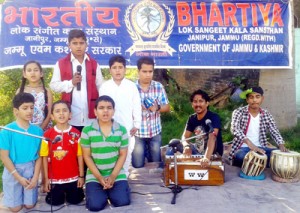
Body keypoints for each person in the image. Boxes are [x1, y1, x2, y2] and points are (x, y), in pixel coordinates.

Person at [80, 95, 130, 211]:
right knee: (95, 206)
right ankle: (102, 192)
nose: (105, 111)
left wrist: (112, 176)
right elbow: (86, 156)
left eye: (109, 108)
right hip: (95, 175)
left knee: (122, 202)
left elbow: (123, 155)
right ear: (95, 111)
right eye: (101, 108)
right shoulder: (87, 130)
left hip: (116, 174)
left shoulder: (121, 130)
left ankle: (116, 189)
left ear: (114, 111)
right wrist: (99, 177)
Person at [50, 29, 103, 132]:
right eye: (75, 43)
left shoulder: (94, 64)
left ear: (86, 44)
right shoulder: (61, 63)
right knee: (72, 147)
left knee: (89, 147)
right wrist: (71, 83)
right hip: (70, 117)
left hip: (91, 117)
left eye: (81, 43)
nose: (78, 46)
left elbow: (101, 87)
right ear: (69, 45)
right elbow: (54, 86)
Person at [0, 93, 43, 212]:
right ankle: (10, 194)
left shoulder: (38, 131)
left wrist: (35, 178)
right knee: (15, 208)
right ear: (16, 111)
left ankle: (23, 194)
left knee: (29, 205)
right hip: (13, 170)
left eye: (32, 107)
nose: (29, 111)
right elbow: (4, 157)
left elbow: (40, 156)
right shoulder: (6, 131)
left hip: (30, 169)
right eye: (25, 108)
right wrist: (18, 177)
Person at [99, 55, 141, 176]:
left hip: (127, 128)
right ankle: (110, 177)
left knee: (126, 155)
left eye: (120, 67)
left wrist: (137, 124)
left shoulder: (131, 86)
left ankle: (123, 179)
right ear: (110, 70)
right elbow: (101, 108)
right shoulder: (105, 86)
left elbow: (136, 106)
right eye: (114, 67)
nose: (117, 70)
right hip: (109, 127)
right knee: (111, 154)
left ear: (125, 69)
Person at [40, 100, 85, 206]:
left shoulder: (76, 133)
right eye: (57, 111)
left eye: (64, 110)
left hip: (73, 177)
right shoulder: (47, 135)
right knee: (55, 202)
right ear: (52, 116)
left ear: (70, 114)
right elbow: (44, 158)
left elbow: (80, 155)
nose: (61, 113)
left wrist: (81, 176)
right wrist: (45, 180)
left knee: (76, 200)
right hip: (54, 179)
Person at [229, 86, 287, 167]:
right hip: (243, 148)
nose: (254, 100)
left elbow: (274, 130)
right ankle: (262, 163)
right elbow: (235, 129)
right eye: (251, 97)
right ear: (247, 100)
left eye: (257, 97)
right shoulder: (238, 112)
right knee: (240, 156)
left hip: (261, 148)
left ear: (262, 98)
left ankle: (259, 163)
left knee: (279, 155)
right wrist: (250, 144)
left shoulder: (266, 114)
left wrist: (281, 144)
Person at [167, 89, 223, 167]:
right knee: (173, 144)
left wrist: (206, 158)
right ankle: (168, 170)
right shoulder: (192, 118)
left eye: (201, 101)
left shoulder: (214, 117)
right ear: (192, 104)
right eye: (195, 101)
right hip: (197, 151)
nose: (198, 104)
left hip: (212, 154)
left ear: (207, 103)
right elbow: (185, 137)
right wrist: (186, 146)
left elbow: (212, 138)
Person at [132, 57, 170, 168]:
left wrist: (157, 107)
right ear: (138, 71)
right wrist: (137, 108)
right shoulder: (131, 88)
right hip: (138, 133)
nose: (148, 74)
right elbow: (125, 109)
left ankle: (149, 155)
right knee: (137, 165)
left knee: (156, 164)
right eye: (144, 71)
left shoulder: (158, 86)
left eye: (150, 71)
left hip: (155, 132)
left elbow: (167, 107)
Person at [16, 60, 53, 131]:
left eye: (36, 70)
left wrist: (39, 130)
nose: (32, 73)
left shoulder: (47, 91)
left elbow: (49, 113)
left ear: (41, 73)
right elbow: (17, 112)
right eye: (29, 70)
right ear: (24, 74)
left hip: (44, 129)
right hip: (25, 129)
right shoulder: (20, 91)